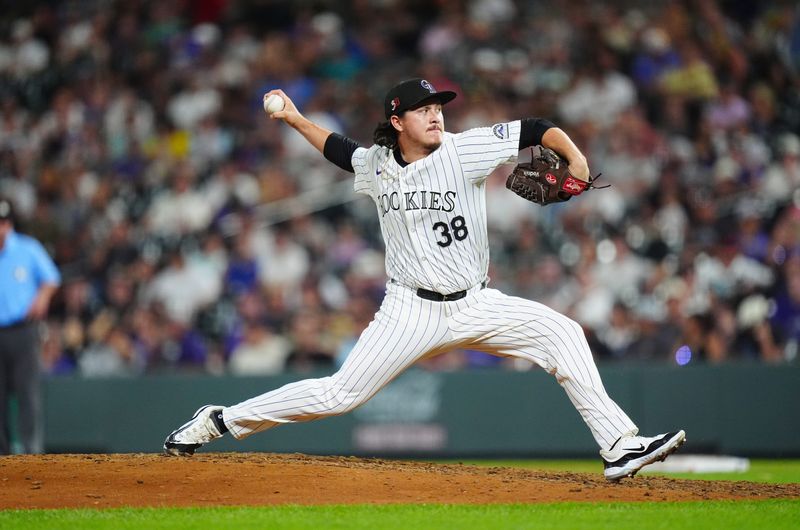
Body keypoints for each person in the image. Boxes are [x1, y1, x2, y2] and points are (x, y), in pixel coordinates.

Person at [164, 79, 685, 481]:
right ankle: (221, 419)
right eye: (424, 108)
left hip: (476, 302)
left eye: (439, 107)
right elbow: (338, 149)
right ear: (397, 120)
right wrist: (297, 118)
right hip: (409, 310)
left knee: (563, 334)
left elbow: (536, 127)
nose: (437, 114)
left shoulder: (466, 149)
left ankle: (618, 445)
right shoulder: (377, 165)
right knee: (337, 396)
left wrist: (574, 158)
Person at [0, 197, 61, 454]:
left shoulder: (27, 248)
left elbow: (51, 278)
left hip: (24, 329)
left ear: (9, 223)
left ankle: (31, 451)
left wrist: (42, 297)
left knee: (28, 393)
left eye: (2, 222)